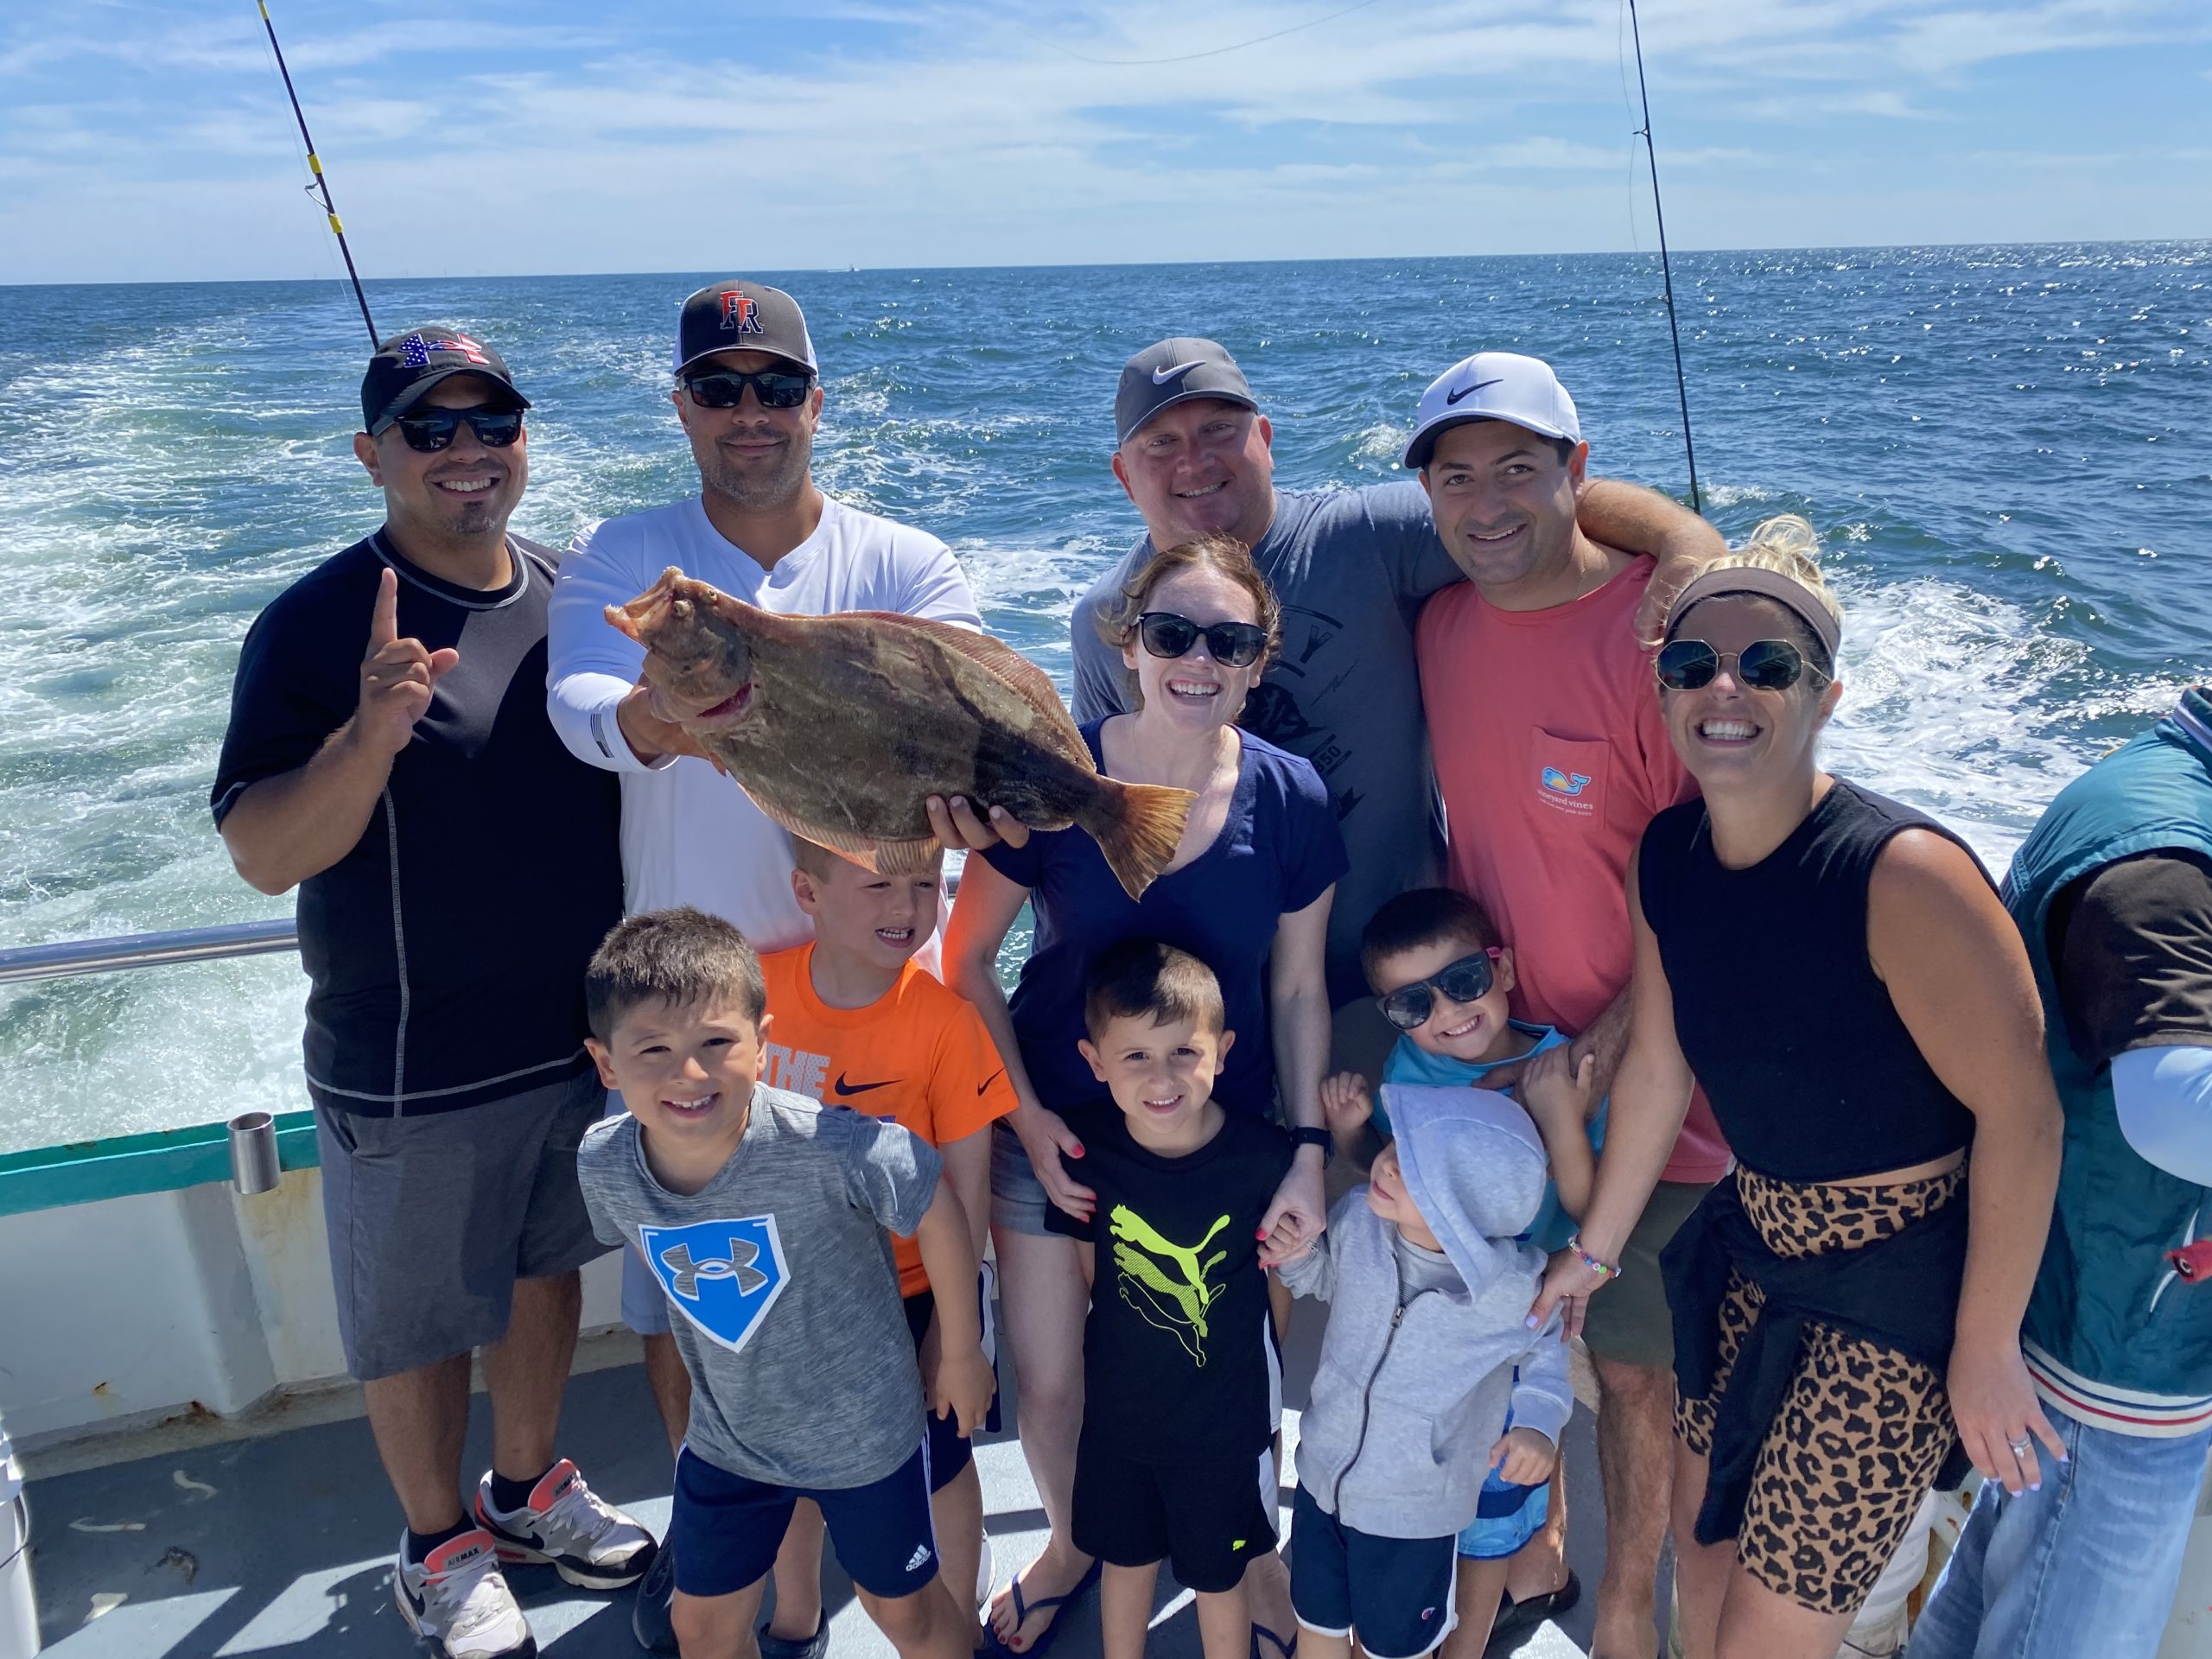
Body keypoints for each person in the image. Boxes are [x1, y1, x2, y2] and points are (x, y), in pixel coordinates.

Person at [545, 278, 1016, 1649]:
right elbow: (580, 705)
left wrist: (981, 796)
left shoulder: (905, 562)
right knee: (698, 1290)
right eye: (719, 389)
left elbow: (965, 695)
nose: (747, 415)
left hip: (872, 998)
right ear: (684, 407)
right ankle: (749, 1578)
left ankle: (886, 1559)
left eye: (772, 388)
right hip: (700, 1022)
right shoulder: (627, 551)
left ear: (816, 403)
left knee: (888, 1282)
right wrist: (654, 714)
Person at [1528, 518, 2065, 1659]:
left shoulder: (1903, 873)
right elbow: (1664, 1065)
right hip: (1753, 1243)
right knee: (1702, 1554)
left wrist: (1984, 1346)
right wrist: (1598, 1245)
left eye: (1769, 665)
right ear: (1665, 689)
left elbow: (2025, 1112)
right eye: (1692, 664)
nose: (1726, 687)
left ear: (1825, 695)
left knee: (1774, 1631)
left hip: (1894, 1294)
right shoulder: (1665, 855)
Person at [213, 328, 652, 1659]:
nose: (467, 453)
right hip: (406, 1059)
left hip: (572, 1043)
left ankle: (525, 1494)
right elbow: (262, 854)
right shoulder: (310, 626)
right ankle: (434, 1544)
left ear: (525, 439)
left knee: (542, 1274)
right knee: (411, 1322)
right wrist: (368, 734)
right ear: (373, 456)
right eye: (428, 430)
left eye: (492, 423)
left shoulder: (580, 596)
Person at [1069, 336, 1720, 1039]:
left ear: (1264, 438)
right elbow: (1098, 821)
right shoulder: (1103, 620)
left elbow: (1530, 509)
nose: (1193, 461)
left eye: (1219, 430)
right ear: (1122, 475)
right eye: (1160, 442)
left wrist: (1688, 541)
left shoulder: (1370, 537)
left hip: (1409, 994)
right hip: (1210, 1021)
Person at [945, 535, 1344, 1659]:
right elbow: (965, 960)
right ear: (1128, 643)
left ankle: (1251, 1559)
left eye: (1231, 640)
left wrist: (1309, 1148)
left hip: (1223, 1146)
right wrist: (1024, 1113)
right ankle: (1077, 1542)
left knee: (1234, 1376)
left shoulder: (1292, 795)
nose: (1199, 659)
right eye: (1173, 633)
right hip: (1060, 1131)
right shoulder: (1050, 773)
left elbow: (1302, 984)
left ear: (1259, 662)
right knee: (1054, 1373)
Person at [1405, 350, 1730, 1655]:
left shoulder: (1665, 634)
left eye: (1520, 471)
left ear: (1580, 476)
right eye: (1457, 476)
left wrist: (1607, 1051)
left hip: (1665, 1093)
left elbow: (1715, 891)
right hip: (1502, 1069)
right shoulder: (1436, 626)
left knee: (1639, 1372)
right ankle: (1528, 1556)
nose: (1487, 504)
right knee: (1489, 1309)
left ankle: (1625, 1606)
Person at [576, 907, 996, 1659]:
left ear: (763, 1043)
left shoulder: (830, 1145)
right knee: (700, 1629)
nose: (690, 1073)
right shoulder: (604, 1167)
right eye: (653, 1050)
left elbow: (933, 1200)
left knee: (904, 1614)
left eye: (716, 1043)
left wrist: (961, 1349)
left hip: (866, 1442)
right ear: (606, 1064)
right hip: (729, 1441)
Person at [1911, 686, 2212, 1659]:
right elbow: (2174, 1108)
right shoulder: (2160, 864)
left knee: (1998, 1593)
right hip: (2122, 1340)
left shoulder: (2152, 791)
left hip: (2083, 1302)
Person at [1317, 887, 1599, 1659]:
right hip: (1425, 1339)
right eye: (1413, 1003)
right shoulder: (1410, 1070)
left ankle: (1467, 1640)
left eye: (1465, 981)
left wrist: (1561, 1117)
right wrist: (1350, 1136)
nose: (1446, 1011)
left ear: (1502, 969)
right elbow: (1388, 1187)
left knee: (1495, 1499)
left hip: (1519, 1313)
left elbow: (1582, 1205)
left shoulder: (1562, 1059)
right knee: (1428, 1495)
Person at [753, 836, 1020, 1642]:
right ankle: (796, 1620)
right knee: (790, 1479)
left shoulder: (946, 1022)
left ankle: (960, 1621)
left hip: (911, 1293)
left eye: (923, 884)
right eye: (877, 885)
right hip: (787, 1301)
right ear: (807, 889)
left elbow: (968, 1185)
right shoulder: (754, 998)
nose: (906, 907)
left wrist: (957, 1334)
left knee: (943, 1462)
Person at [1041, 941, 1294, 1659]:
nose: (1163, 1077)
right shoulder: (1085, 1152)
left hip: (1224, 1428)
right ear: (1096, 1062)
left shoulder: (1263, 1157)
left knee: (1220, 1579)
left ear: (1223, 1051)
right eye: (1136, 1058)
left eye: (1185, 1052)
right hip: (1120, 1421)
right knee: (1126, 1562)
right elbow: (1095, 1277)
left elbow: (1280, 1291)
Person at [1281, 1083, 1574, 1659]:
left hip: (1412, 1519)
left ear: (1463, 1206)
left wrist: (1539, 1423)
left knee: (1393, 1648)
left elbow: (1548, 1348)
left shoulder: (1508, 1291)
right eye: (1400, 1143)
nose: (1387, 1161)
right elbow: (1322, 1279)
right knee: (1316, 1624)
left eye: (1415, 1166)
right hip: (1319, 1480)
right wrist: (1297, 1255)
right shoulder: (1358, 1224)